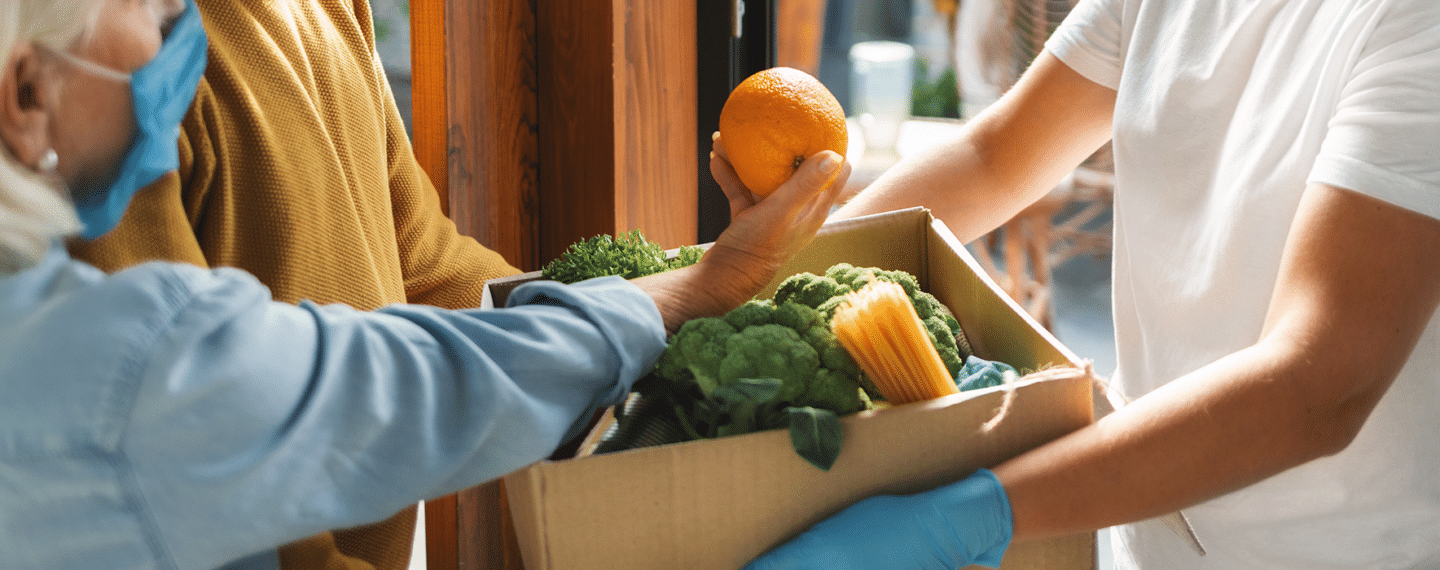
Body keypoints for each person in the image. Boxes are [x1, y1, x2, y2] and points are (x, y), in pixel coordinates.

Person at [0, 2, 851, 569]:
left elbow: (431, 265)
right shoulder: (118, 352)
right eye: (141, 7)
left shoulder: (324, 7)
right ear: (27, 94)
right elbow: (364, 396)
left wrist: (684, 297)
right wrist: (690, 291)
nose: (165, 25)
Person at [745, 0, 1440, 568]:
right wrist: (763, 281)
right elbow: (995, 155)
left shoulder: (1417, 26)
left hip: (1336, 548)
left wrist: (970, 517)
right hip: (1150, 518)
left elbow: (1319, 385)